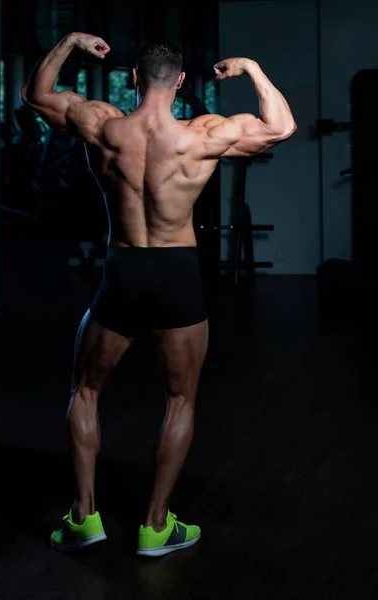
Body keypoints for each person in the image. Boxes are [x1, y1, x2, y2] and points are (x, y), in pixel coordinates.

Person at [21, 32, 296, 557]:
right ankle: (154, 526)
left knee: (85, 391)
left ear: (133, 79)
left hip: (122, 269)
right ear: (181, 82)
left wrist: (69, 42)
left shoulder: (101, 124)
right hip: (176, 274)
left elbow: (36, 94)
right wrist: (254, 67)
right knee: (180, 399)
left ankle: (83, 519)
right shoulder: (202, 134)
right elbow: (281, 126)